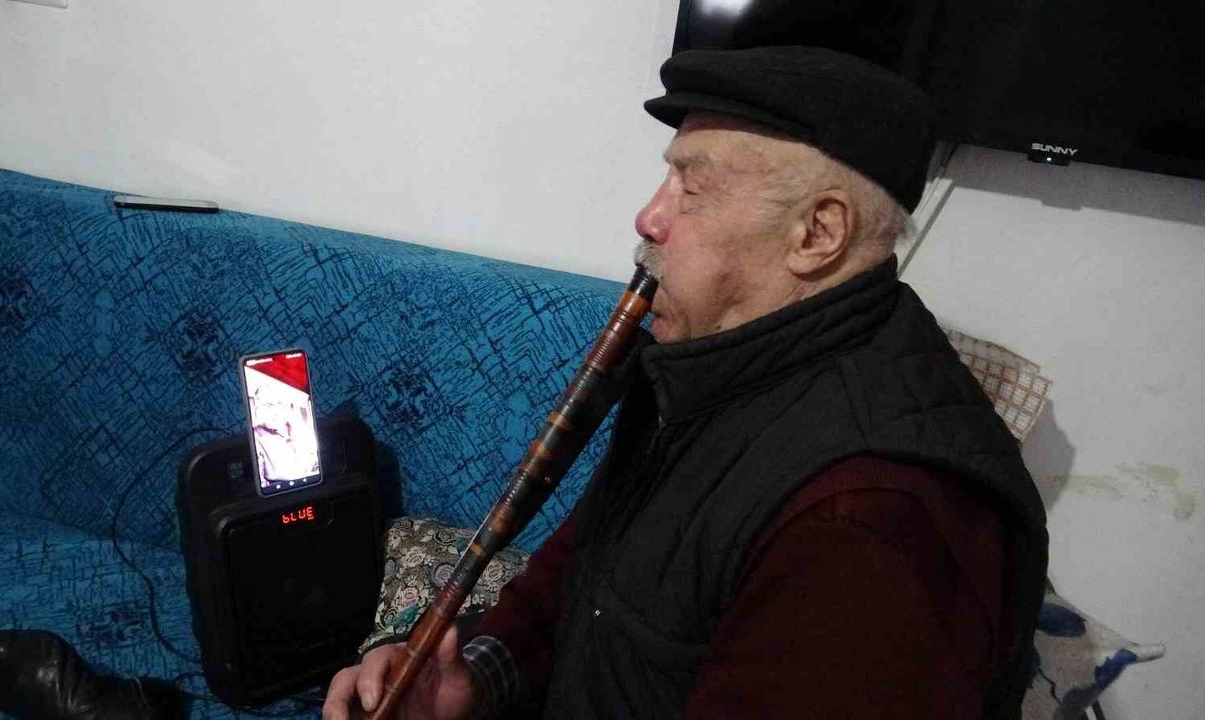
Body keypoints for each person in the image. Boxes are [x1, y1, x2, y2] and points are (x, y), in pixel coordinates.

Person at [324, 45, 1048, 720]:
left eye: (691, 189)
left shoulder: (870, 522)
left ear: (818, 234)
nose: (648, 217)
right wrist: (475, 678)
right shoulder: (705, 362)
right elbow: (588, 567)